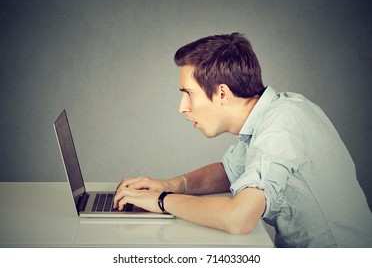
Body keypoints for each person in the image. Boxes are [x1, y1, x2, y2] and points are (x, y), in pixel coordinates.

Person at [113, 33, 372, 247]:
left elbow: (239, 218)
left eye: (189, 94)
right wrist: (168, 184)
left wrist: (162, 201)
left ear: (222, 93)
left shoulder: (282, 125)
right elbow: (229, 171)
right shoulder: (273, 112)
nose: (182, 107)